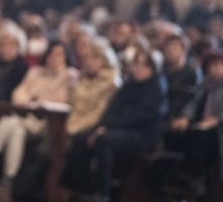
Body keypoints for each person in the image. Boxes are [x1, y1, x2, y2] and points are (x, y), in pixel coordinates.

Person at [0, 41, 77, 196]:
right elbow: (18, 94)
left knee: (12, 120)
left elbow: (62, 100)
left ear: (66, 57)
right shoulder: (35, 72)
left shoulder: (70, 76)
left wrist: (37, 98)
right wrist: (32, 100)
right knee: (16, 129)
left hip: (46, 123)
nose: (54, 58)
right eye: (52, 54)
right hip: (25, 116)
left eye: (59, 55)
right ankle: (8, 180)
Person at [63, 48, 167, 202]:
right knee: (81, 139)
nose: (138, 68)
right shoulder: (129, 84)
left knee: (103, 140)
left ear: (153, 68)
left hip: (141, 134)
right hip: (116, 129)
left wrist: (106, 129)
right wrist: (101, 127)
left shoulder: (156, 87)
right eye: (136, 64)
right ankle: (81, 189)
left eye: (144, 65)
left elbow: (139, 117)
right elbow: (112, 108)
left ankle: (103, 193)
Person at [168, 51, 223, 196]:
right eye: (211, 66)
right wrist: (185, 117)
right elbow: (194, 103)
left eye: (218, 65)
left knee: (201, 137)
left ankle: (197, 176)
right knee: (176, 133)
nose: (214, 69)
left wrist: (219, 120)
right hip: (205, 126)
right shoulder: (206, 84)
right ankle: (179, 176)